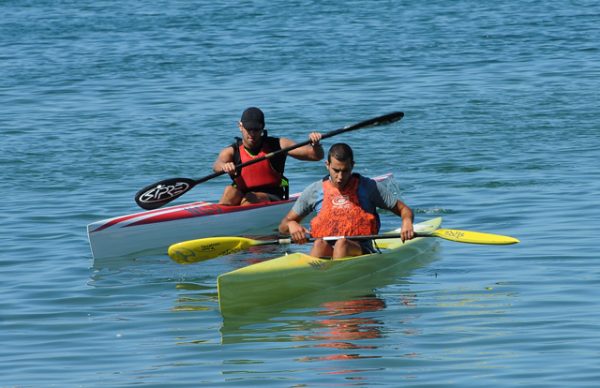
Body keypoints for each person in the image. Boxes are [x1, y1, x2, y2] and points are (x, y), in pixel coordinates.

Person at [278, 143, 415, 259]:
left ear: (353, 166)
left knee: (342, 244)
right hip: (325, 249)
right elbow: (282, 226)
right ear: (327, 165)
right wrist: (292, 225)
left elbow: (404, 210)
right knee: (319, 244)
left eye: (345, 171)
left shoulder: (369, 187)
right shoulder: (314, 190)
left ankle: (332, 280)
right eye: (336, 170)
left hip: (361, 250)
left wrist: (407, 221)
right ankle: (312, 279)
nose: (340, 177)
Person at [213, 107, 324, 206]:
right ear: (240, 126)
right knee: (229, 191)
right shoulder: (232, 151)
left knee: (250, 198)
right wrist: (225, 166)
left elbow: (315, 156)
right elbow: (217, 165)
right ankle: (217, 222)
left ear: (262, 128)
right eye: (248, 129)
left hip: (273, 196)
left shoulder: (278, 145)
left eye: (256, 129)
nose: (252, 133)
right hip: (244, 195)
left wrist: (316, 145)